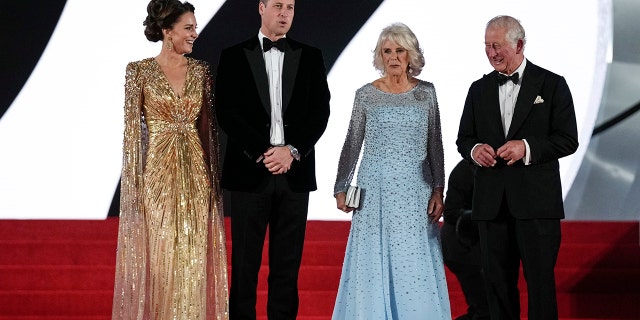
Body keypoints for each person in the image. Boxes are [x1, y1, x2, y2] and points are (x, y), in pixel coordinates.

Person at [213, 0, 331, 319]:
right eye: (277, 5)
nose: (284, 13)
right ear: (261, 7)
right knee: (244, 268)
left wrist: (291, 151)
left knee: (287, 268)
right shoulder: (234, 56)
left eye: (290, 7)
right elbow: (228, 113)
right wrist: (266, 151)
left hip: (295, 174)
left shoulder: (311, 56)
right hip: (250, 173)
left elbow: (320, 113)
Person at [111, 1, 228, 319]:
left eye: (195, 27)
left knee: (192, 261)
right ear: (167, 31)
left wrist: (213, 184)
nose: (195, 34)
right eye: (188, 28)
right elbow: (133, 139)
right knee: (163, 263)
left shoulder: (202, 71)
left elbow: (208, 133)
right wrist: (134, 191)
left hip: (195, 176)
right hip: (157, 178)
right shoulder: (138, 72)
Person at [456, 15, 578, 320]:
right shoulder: (477, 89)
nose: (492, 53)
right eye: (487, 46)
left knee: (540, 286)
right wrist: (474, 150)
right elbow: (464, 138)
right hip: (491, 205)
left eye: (497, 46)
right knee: (497, 287)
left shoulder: (552, 85)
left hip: (537, 205)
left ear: (519, 44)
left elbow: (567, 140)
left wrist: (527, 148)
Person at [332, 22, 451, 320]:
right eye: (387, 51)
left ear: (411, 55)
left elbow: (434, 143)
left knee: (412, 262)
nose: (393, 57)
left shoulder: (427, 94)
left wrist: (439, 189)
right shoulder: (366, 95)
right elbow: (352, 143)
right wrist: (340, 186)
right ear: (380, 56)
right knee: (373, 261)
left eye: (400, 50)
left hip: (416, 191)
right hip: (374, 193)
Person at [441, 159, 490, 320]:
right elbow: (451, 212)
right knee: (484, 311)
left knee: (486, 310)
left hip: (476, 248)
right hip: (463, 248)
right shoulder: (467, 169)